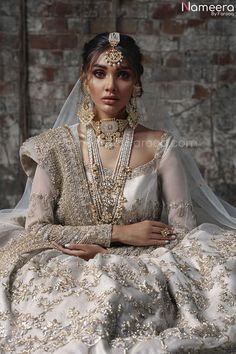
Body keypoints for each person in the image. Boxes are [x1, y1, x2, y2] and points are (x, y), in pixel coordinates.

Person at [0, 32, 235, 354]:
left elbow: (182, 230)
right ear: (85, 80)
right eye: (100, 73)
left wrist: (110, 253)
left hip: (141, 261)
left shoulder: (159, 145)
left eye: (122, 74)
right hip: (65, 255)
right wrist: (117, 233)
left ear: (136, 83)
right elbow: (38, 229)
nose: (111, 85)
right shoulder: (52, 147)